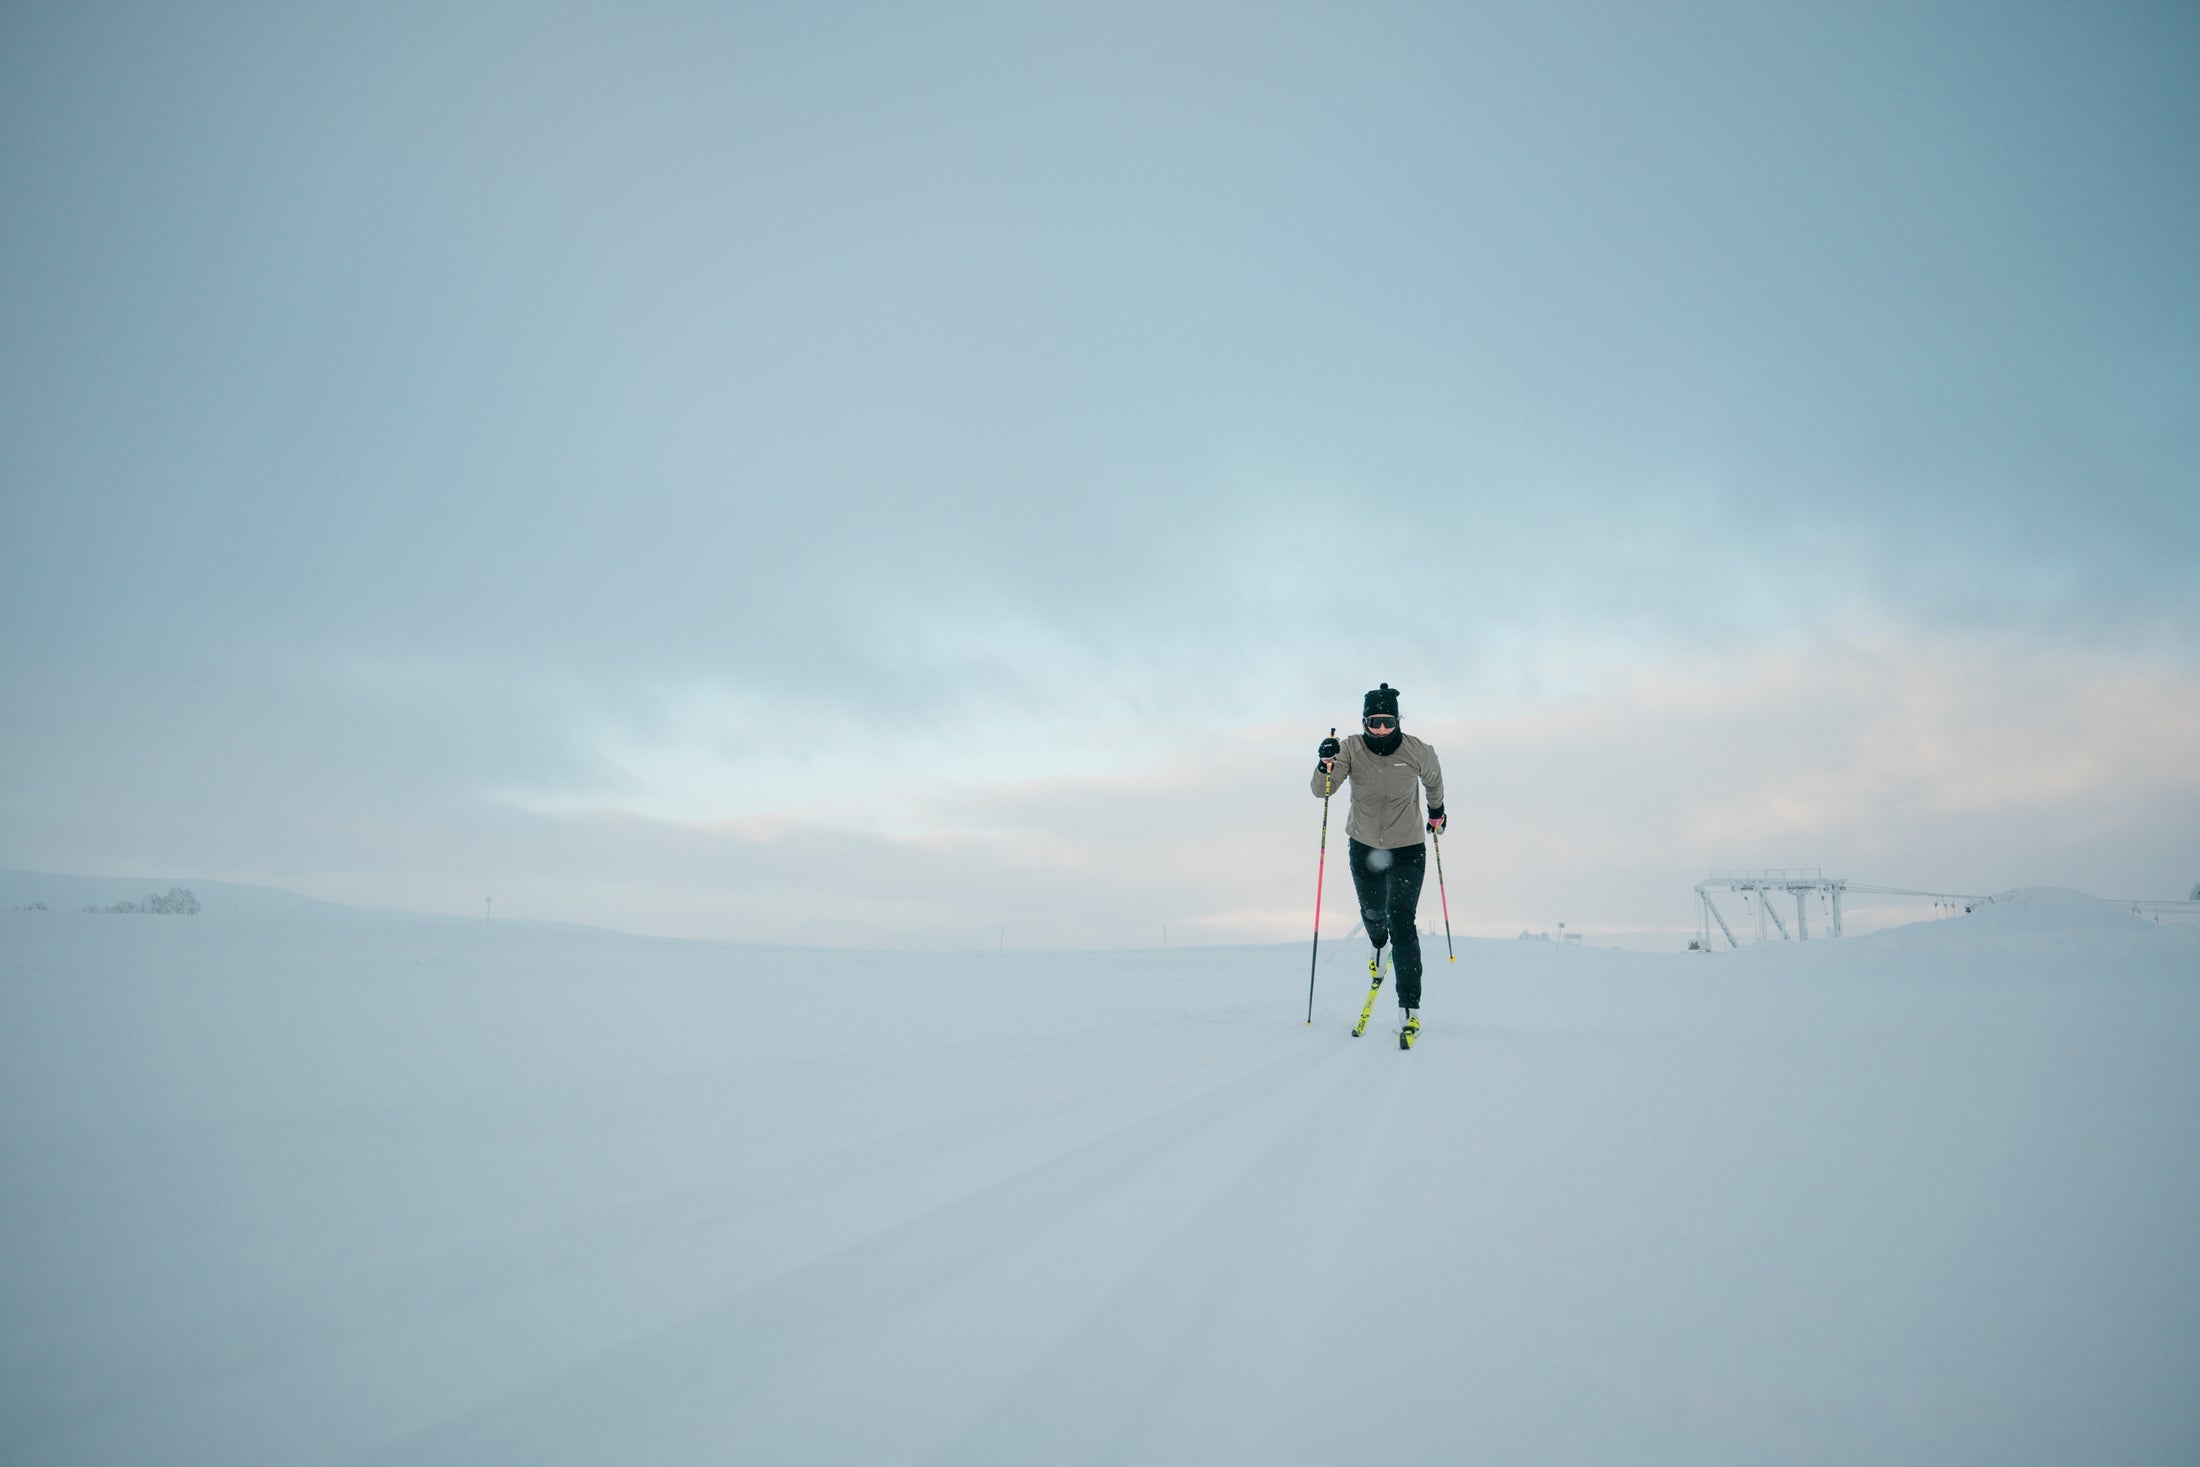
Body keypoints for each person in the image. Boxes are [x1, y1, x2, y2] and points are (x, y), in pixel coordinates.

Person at [1312, 682, 1445, 1044]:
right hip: (1364, 844)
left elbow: (1434, 781)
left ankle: (1409, 1011)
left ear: (1397, 719)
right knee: (1373, 914)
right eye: (1374, 722)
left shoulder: (1418, 750)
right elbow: (1322, 790)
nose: (1381, 729)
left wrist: (1437, 813)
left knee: (1403, 921)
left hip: (1408, 848)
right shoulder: (1350, 749)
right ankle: (1376, 942)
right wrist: (1324, 763)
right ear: (1364, 721)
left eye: (1387, 721)